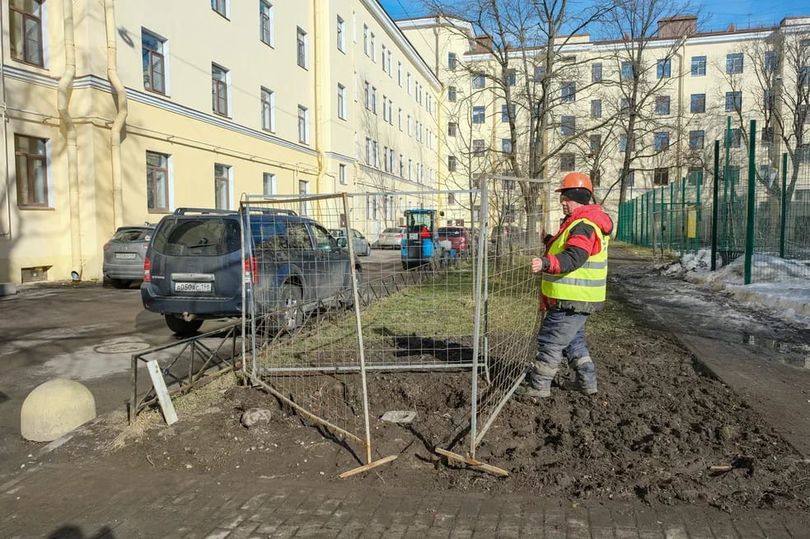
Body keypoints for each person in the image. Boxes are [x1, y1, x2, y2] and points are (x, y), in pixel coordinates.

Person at [517, 171, 614, 398]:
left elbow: (574, 256)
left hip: (571, 299)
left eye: (566, 198)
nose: (562, 202)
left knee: (550, 340)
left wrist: (545, 262)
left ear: (578, 197)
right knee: (574, 342)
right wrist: (549, 241)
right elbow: (571, 247)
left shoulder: (583, 224)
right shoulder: (583, 222)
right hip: (580, 298)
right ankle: (586, 383)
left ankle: (538, 386)